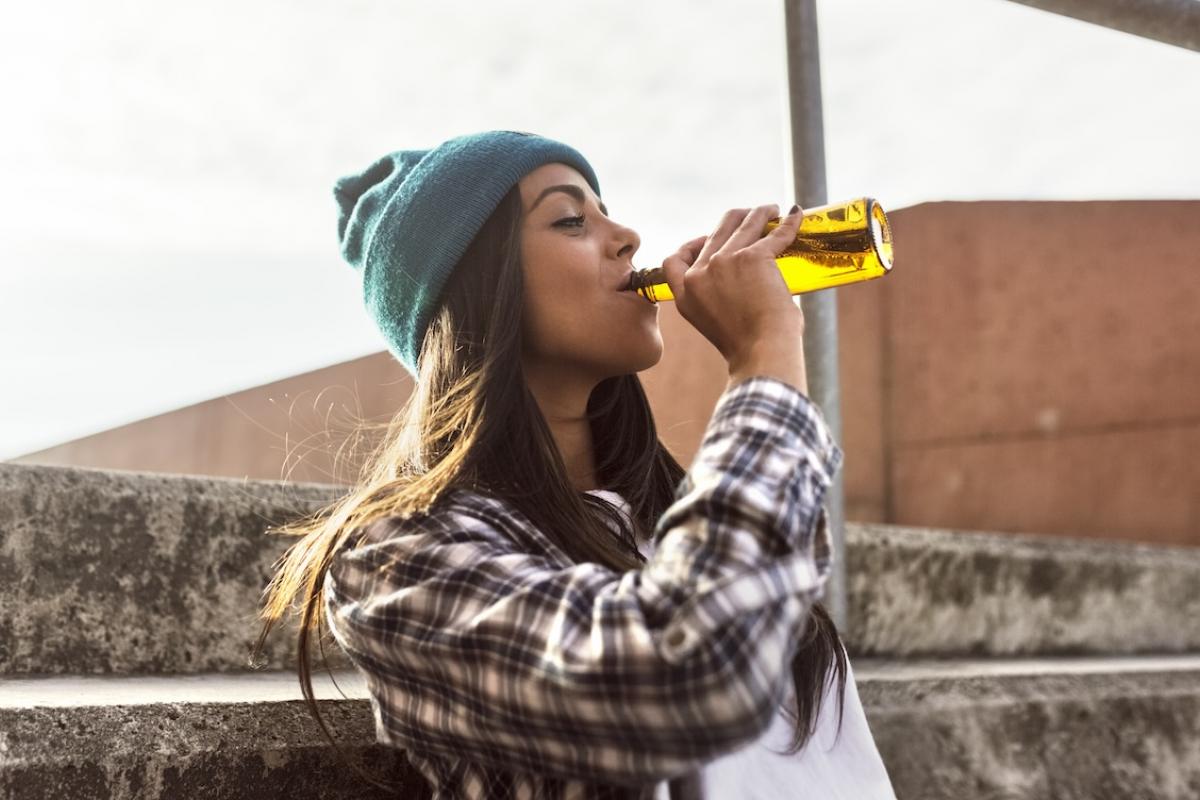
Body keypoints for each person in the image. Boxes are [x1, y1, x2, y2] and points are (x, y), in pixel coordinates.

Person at [254, 130, 897, 799]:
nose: (628, 238)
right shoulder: (399, 561)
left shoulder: (679, 523)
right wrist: (766, 351)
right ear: (480, 290)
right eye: (571, 220)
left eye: (608, 211)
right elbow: (688, 675)